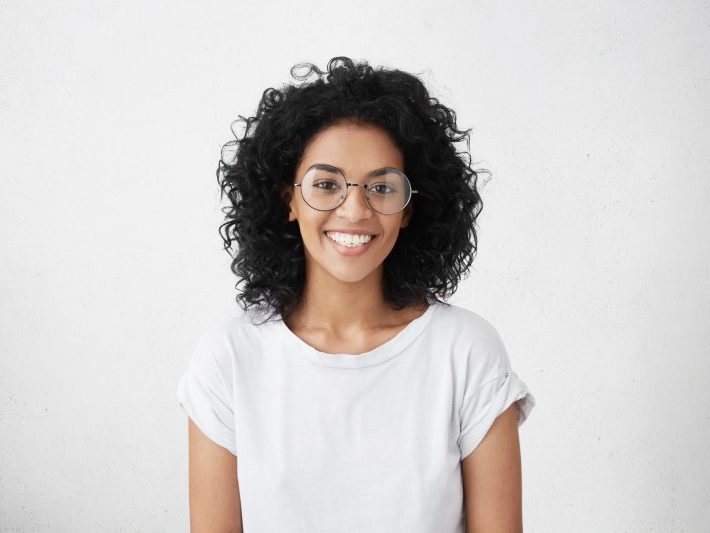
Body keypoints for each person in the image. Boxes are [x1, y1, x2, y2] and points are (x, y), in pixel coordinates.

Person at [176, 56, 536, 533]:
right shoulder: (230, 360)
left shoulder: (466, 352)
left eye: (382, 187)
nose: (355, 210)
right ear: (288, 200)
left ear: (408, 210)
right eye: (326, 184)